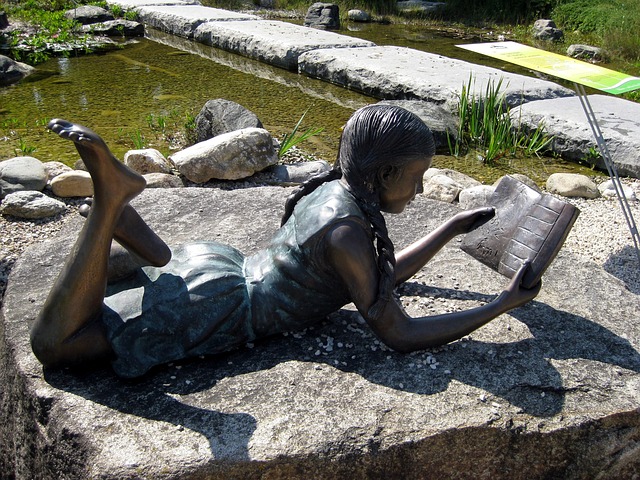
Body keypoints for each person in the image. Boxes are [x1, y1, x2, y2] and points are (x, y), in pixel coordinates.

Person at [30, 105, 540, 378]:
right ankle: (110, 207)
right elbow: (399, 333)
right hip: (221, 309)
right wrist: (501, 305)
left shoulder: (332, 190)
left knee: (112, 303)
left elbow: (374, 278)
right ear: (384, 173)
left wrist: (448, 229)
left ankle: (125, 222)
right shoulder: (346, 232)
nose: (421, 189)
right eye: (417, 176)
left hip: (218, 268)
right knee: (54, 345)